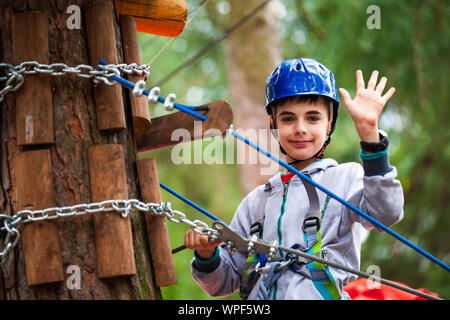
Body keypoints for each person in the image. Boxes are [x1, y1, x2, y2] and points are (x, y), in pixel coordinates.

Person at [184, 58, 404, 300]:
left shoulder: (344, 179)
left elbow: (386, 213)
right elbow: (222, 283)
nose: (300, 128)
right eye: (288, 119)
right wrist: (206, 256)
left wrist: (370, 137)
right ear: (273, 123)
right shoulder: (255, 202)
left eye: (312, 118)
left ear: (329, 124)